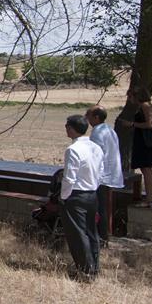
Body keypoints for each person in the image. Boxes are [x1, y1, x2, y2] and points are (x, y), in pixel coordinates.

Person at [60, 114, 104, 278]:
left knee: (78, 235)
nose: (65, 128)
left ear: (72, 129)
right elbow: (100, 172)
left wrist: (64, 197)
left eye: (67, 126)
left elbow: (69, 178)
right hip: (92, 194)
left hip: (76, 195)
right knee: (91, 232)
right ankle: (94, 266)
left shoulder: (73, 150)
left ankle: (85, 270)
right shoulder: (96, 147)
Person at [86, 106, 123, 247]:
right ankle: (105, 235)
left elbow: (95, 156)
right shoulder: (109, 129)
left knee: (100, 207)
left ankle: (102, 237)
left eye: (89, 115)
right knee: (104, 206)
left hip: (102, 176)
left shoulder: (97, 133)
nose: (87, 119)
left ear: (96, 117)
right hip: (111, 173)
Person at [118, 86, 152, 207]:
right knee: (145, 169)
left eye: (130, 96)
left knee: (146, 169)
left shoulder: (145, 106)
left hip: (146, 143)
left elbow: (149, 124)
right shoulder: (142, 106)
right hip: (142, 141)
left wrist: (131, 124)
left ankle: (149, 199)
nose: (129, 99)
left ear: (137, 96)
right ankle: (149, 197)